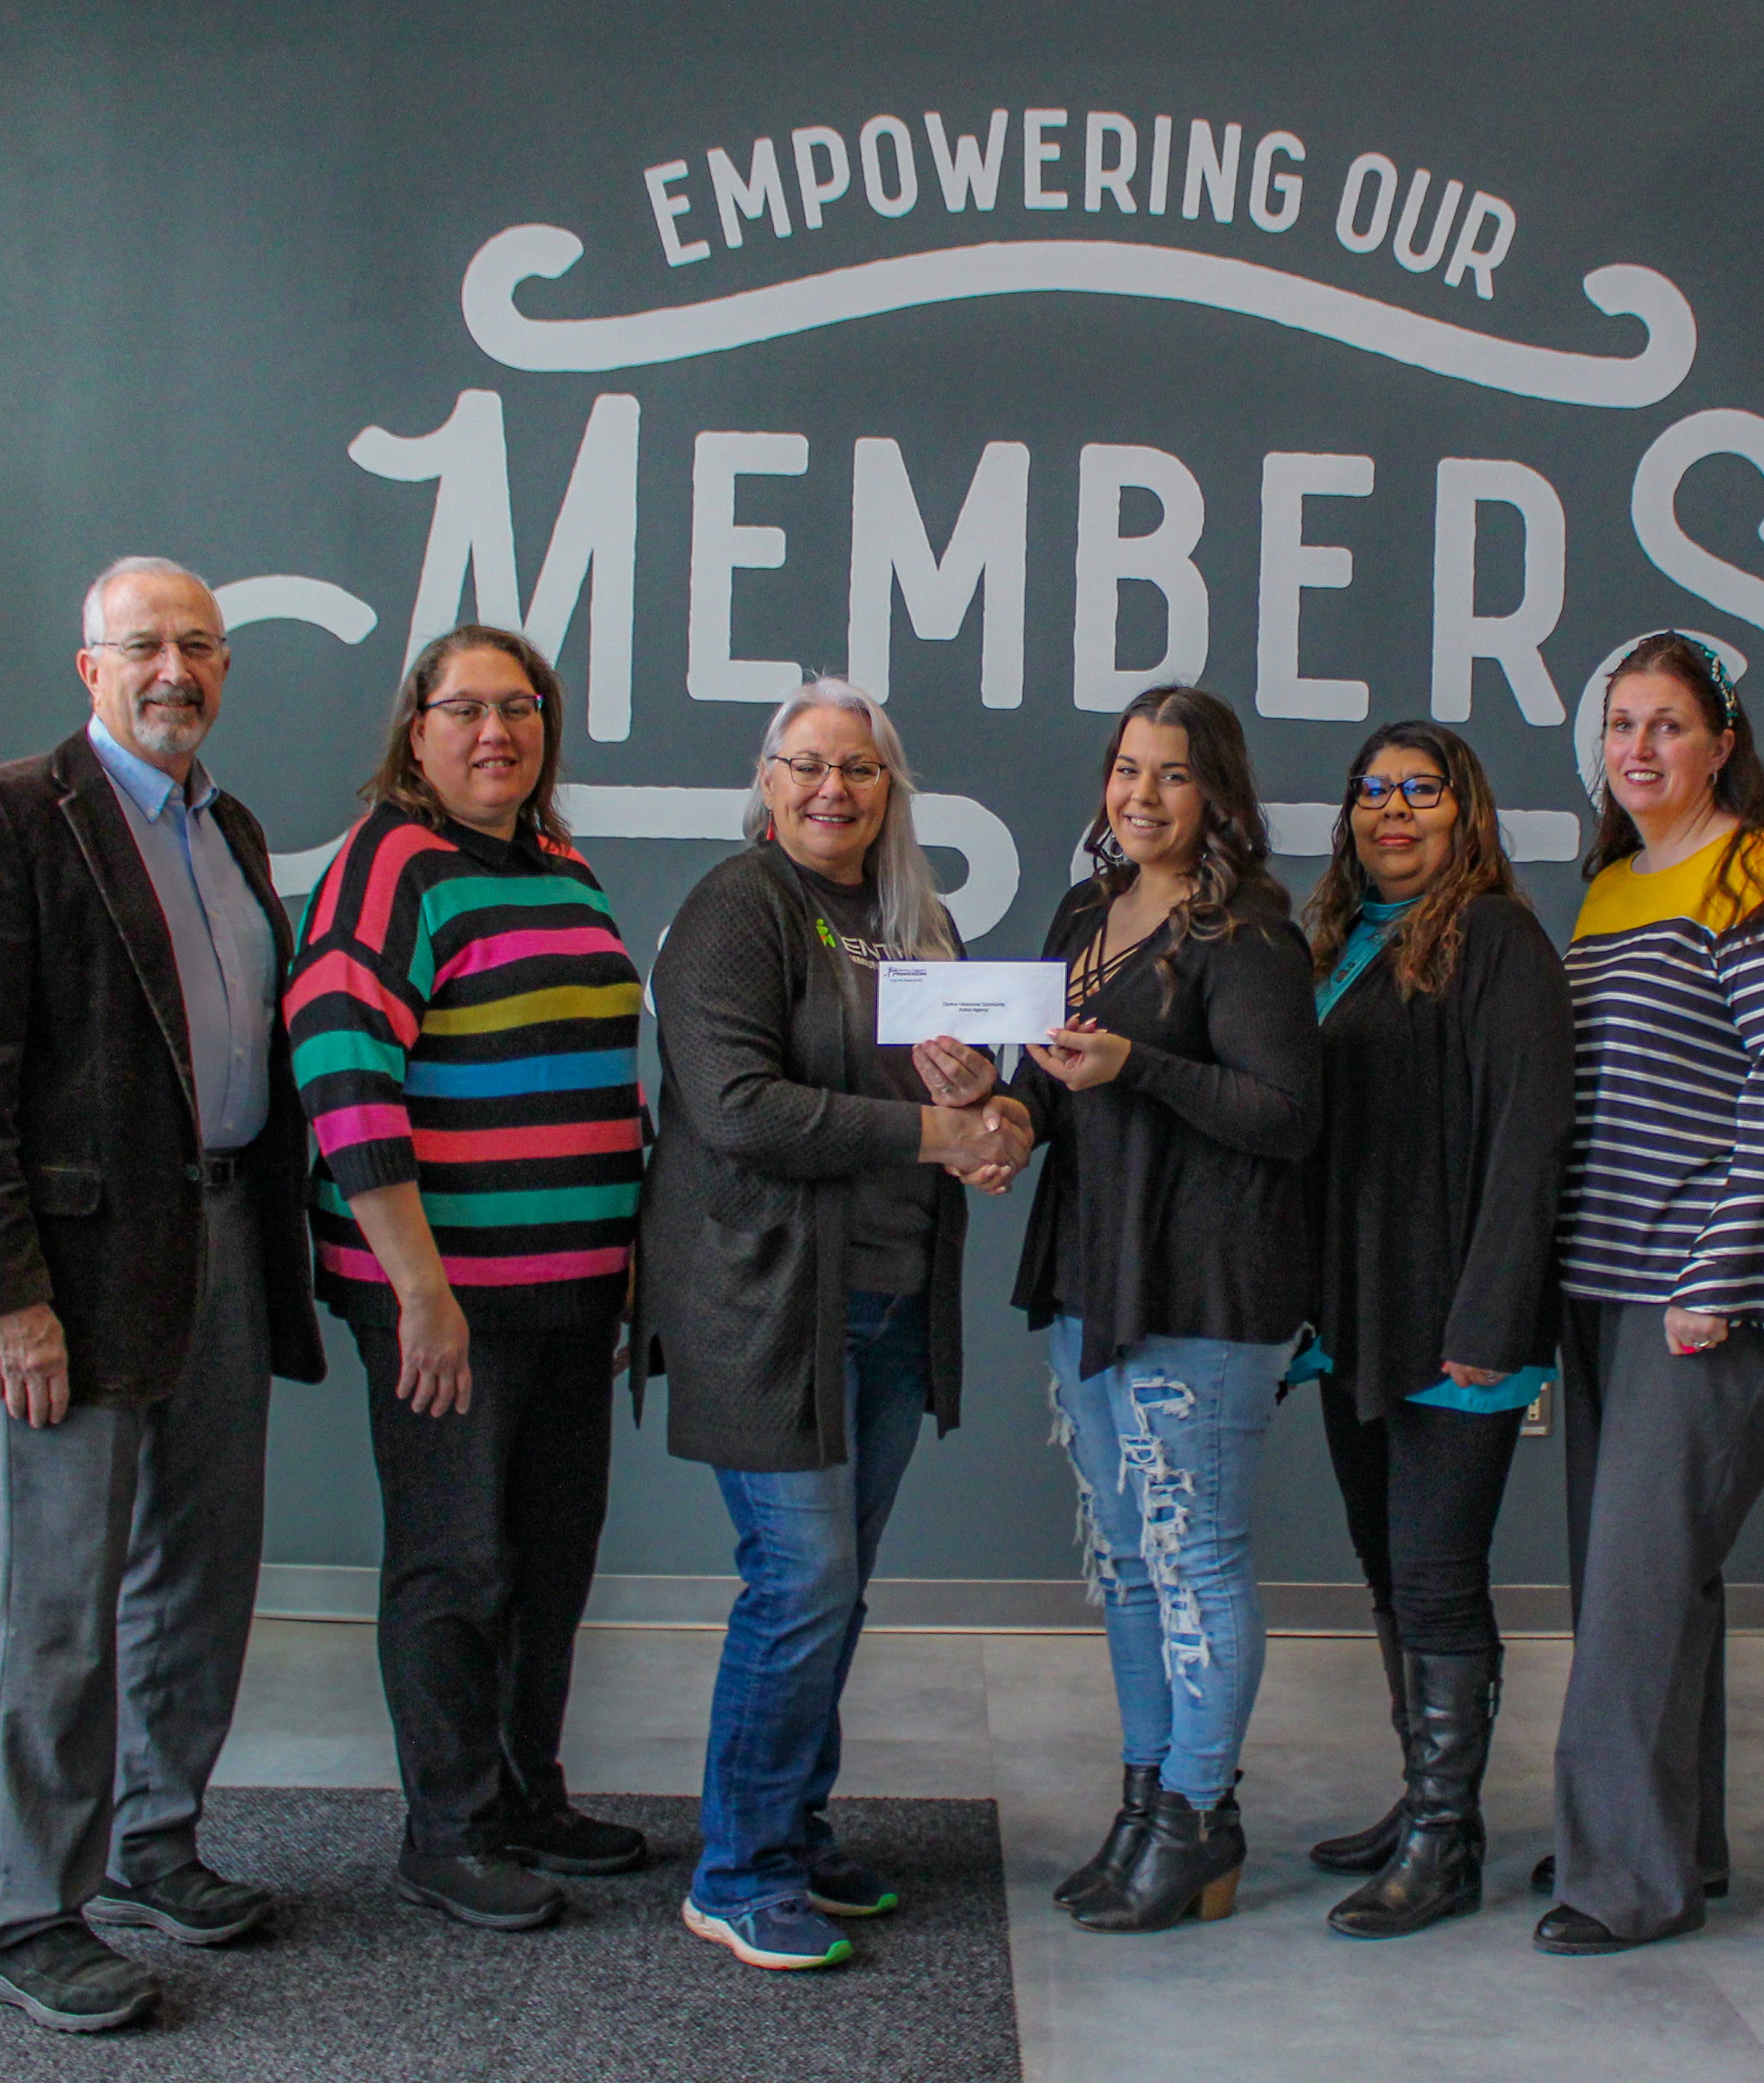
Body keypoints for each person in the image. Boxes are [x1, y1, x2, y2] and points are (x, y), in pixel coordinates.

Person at [0, 556, 325, 2033]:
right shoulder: (5, 816)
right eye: (143, 644)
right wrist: (0, 1293)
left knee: (203, 1577)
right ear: (89, 667)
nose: (174, 670)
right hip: (70, 1283)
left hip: (219, 1246)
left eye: (198, 645)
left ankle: (156, 1844)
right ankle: (28, 1910)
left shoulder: (233, 827)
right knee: (65, 1605)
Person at [638, 678, 1030, 1974]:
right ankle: (736, 1867)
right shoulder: (733, 911)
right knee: (799, 1580)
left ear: (888, 788)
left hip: (887, 1299)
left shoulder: (915, 921)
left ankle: (793, 1828)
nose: (830, 789)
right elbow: (740, 1105)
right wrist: (936, 1129)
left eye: (857, 769)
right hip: (763, 1303)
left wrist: (992, 1104)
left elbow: (975, 1087)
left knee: (837, 1586)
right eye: (805, 765)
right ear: (766, 781)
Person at [285, 625, 647, 1933]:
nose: (496, 731)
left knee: (551, 1557)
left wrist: (622, 1263)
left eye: (521, 707)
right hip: (440, 1294)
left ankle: (527, 1796)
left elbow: (597, 1073)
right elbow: (340, 1074)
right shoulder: (390, 867)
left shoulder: (558, 862)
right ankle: (447, 1831)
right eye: (465, 709)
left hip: (568, 1286)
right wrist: (417, 1288)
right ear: (416, 729)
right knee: (456, 1558)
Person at [1537, 634, 1764, 1956]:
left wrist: (1714, 1278)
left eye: (1667, 726)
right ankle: (1678, 1846)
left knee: (1634, 1597)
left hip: (1703, 1292)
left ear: (1723, 744)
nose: (1639, 749)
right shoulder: (1611, 887)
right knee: (1654, 1588)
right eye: (1622, 725)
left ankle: (1617, 1882)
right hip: (1602, 1286)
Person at [1013, 684, 1322, 1936]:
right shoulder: (1086, 910)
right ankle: (1148, 1802)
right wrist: (992, 1120)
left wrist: (1137, 1063)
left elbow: (1285, 1116)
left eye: (1172, 776)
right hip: (1093, 1278)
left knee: (1194, 1562)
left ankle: (1200, 1815)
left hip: (1202, 1287)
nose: (1140, 795)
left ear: (1220, 797)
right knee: (1129, 1566)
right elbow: (1049, 1077)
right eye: (1126, 769)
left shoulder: (1247, 938)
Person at [1296, 721, 1574, 1938]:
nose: (1391, 811)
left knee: (1437, 1579)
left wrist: (1492, 1315)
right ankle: (1420, 1800)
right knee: (1387, 1573)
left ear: (1466, 813)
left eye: (1420, 791)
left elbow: (1530, 1136)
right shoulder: (1334, 942)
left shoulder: (1501, 940)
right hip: (1354, 1313)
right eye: (1371, 792)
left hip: (1455, 1312)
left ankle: (1446, 1843)